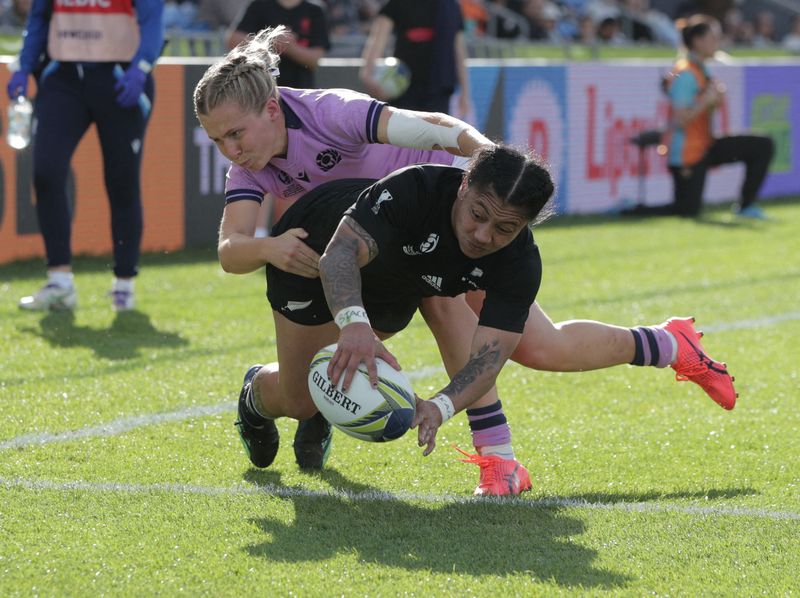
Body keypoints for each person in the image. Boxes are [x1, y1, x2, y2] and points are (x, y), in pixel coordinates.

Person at [194, 27, 737, 495]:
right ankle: (666, 346)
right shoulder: (250, 166)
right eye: (218, 141)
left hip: (441, 216)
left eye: (236, 134)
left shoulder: (330, 114)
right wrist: (269, 247)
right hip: (372, 247)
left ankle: (504, 458)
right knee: (302, 394)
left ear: (271, 107)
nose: (231, 150)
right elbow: (230, 251)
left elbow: (428, 125)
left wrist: (485, 159)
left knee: (533, 344)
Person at [248, 146, 556, 495]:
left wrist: (440, 407)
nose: (484, 235)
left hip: (397, 284)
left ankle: (323, 406)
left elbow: (489, 358)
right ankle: (254, 397)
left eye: (506, 228)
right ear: (464, 184)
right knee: (299, 400)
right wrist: (354, 324)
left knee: (337, 371)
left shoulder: (520, 264)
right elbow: (339, 256)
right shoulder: (415, 187)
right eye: (478, 214)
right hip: (313, 251)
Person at [9, 0, 163, 311]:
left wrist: (142, 66)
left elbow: (152, 17)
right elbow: (38, 19)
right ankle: (60, 281)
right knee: (46, 171)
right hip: (63, 76)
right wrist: (24, 65)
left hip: (119, 75)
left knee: (122, 181)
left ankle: (124, 284)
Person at [624, 15, 775, 218]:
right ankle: (630, 211)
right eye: (713, 38)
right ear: (698, 41)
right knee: (686, 211)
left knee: (762, 145)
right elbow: (680, 119)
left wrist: (715, 99)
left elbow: (707, 108)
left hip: (705, 145)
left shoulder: (702, 68)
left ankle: (746, 206)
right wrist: (707, 100)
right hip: (687, 154)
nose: (717, 43)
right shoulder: (685, 73)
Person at [359, 0, 470, 117]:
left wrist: (465, 93)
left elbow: (459, 50)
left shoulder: (451, 5)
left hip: (439, 89)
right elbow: (379, 38)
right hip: (404, 88)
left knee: (434, 134)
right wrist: (367, 74)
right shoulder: (399, 3)